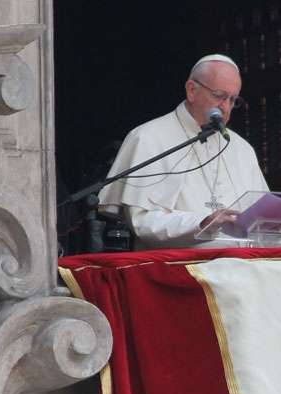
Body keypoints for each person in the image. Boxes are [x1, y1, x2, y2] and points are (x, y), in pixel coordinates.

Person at [98, 54, 269, 249]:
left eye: (232, 100)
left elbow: (261, 220)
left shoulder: (241, 148)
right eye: (219, 96)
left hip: (241, 267)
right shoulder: (149, 137)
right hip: (176, 270)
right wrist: (204, 222)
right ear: (192, 90)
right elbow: (142, 222)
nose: (225, 107)